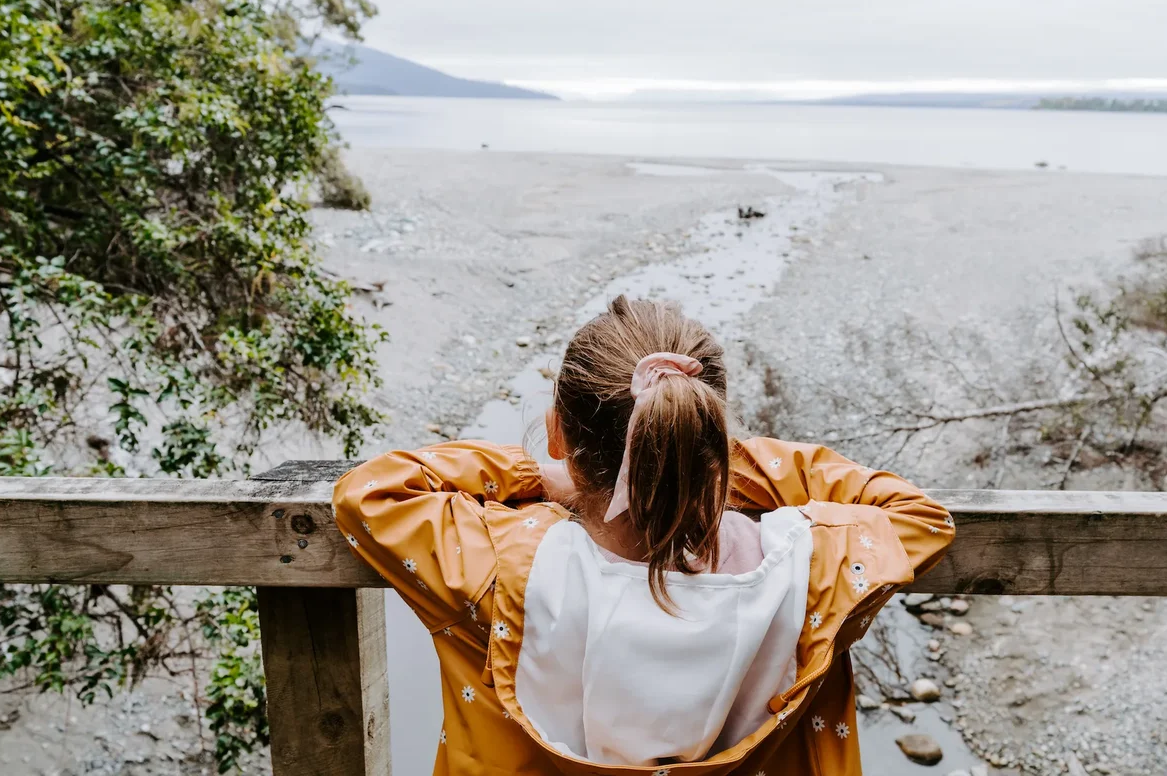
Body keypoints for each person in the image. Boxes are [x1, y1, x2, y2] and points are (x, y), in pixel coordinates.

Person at [333, 296, 955, 775]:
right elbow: (921, 518)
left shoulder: (500, 566)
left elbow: (373, 493)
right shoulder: (808, 570)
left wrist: (540, 476)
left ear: (557, 434)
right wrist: (701, 467)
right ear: (708, 437)